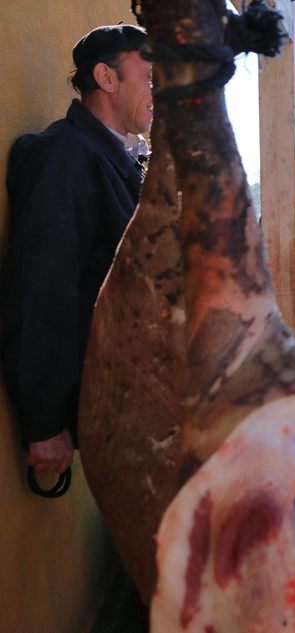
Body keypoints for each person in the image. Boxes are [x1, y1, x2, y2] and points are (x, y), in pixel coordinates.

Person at [0, 24, 151, 480]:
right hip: (99, 405)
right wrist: (44, 423)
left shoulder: (114, 156)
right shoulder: (63, 157)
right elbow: (42, 293)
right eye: (148, 77)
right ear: (107, 78)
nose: (156, 92)